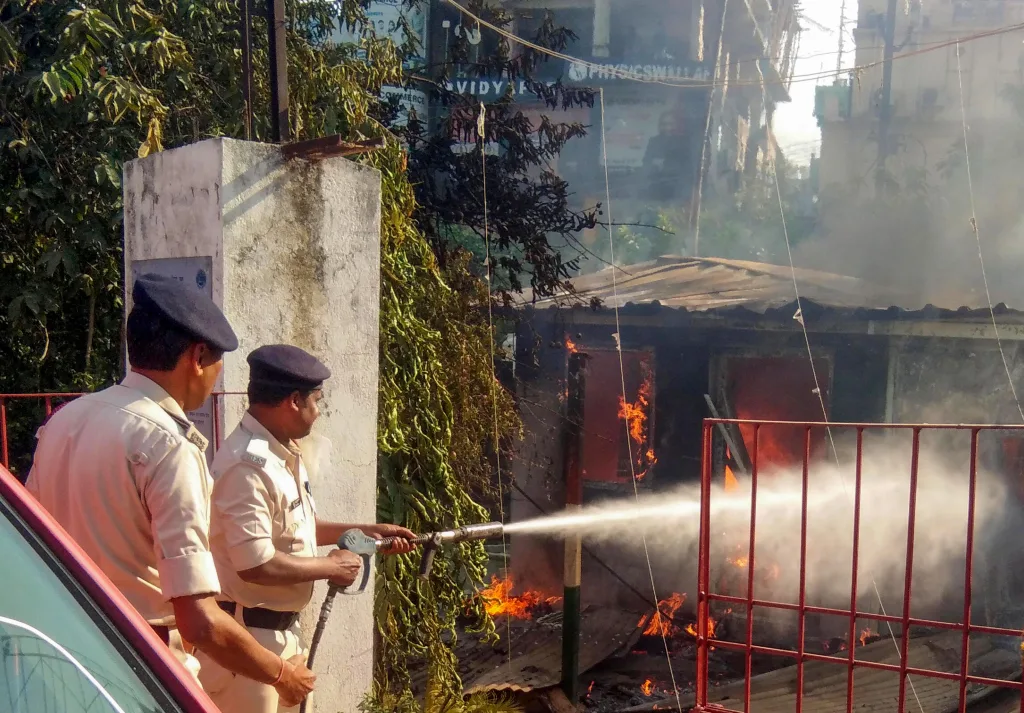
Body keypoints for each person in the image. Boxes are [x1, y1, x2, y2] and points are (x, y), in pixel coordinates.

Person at [27, 274, 316, 707]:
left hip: (60, 655)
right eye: (219, 364)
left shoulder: (66, 421)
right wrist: (281, 674)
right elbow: (199, 621)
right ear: (199, 356)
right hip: (141, 666)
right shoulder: (167, 445)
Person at [198, 343, 416, 713]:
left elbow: (300, 529)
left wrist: (370, 530)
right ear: (293, 401)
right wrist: (334, 566)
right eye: (317, 401)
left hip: (280, 637)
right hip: (249, 645)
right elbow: (256, 563)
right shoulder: (247, 466)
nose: (318, 413)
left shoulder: (282, 451)